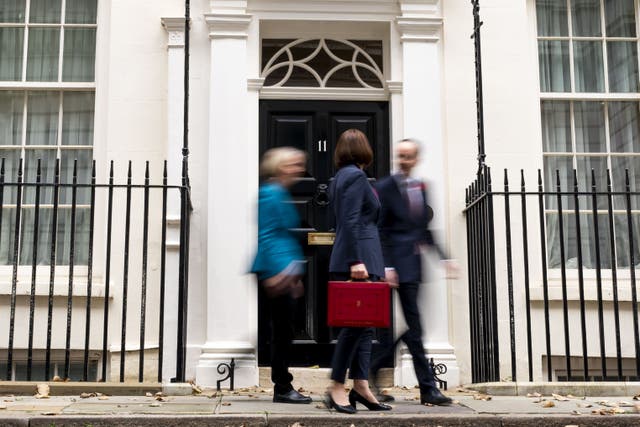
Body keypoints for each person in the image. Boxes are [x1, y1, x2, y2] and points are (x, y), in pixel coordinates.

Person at [370, 138, 456, 406]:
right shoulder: (384, 187)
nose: (404, 160)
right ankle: (428, 388)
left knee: (415, 329)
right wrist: (387, 266)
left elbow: (424, 230)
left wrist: (444, 258)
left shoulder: (422, 188)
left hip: (415, 267)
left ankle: (376, 366)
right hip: (397, 267)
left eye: (408, 156)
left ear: (416, 159)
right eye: (400, 155)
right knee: (416, 329)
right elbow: (380, 229)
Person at [324, 129, 392, 414]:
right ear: (364, 150)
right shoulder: (354, 177)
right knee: (354, 328)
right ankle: (336, 386)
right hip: (359, 259)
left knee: (365, 328)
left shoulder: (340, 178)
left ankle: (361, 385)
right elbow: (350, 221)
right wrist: (355, 261)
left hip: (367, 257)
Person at [250, 147, 312, 404]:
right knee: (281, 331)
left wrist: (293, 272)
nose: (299, 168)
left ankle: (283, 385)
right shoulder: (269, 193)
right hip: (274, 270)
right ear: (279, 166)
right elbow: (268, 235)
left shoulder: (279, 192)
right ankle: (282, 387)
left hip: (283, 270)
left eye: (300, 164)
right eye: (293, 164)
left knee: (282, 330)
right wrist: (280, 272)